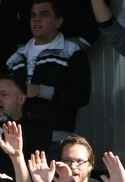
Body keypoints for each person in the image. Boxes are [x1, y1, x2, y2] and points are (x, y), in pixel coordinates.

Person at [5, 0, 91, 138]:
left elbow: (80, 95)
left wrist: (40, 91)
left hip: (55, 137)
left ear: (58, 22)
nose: (36, 19)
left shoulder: (72, 51)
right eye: (33, 15)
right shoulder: (16, 57)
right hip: (18, 138)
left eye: (44, 14)